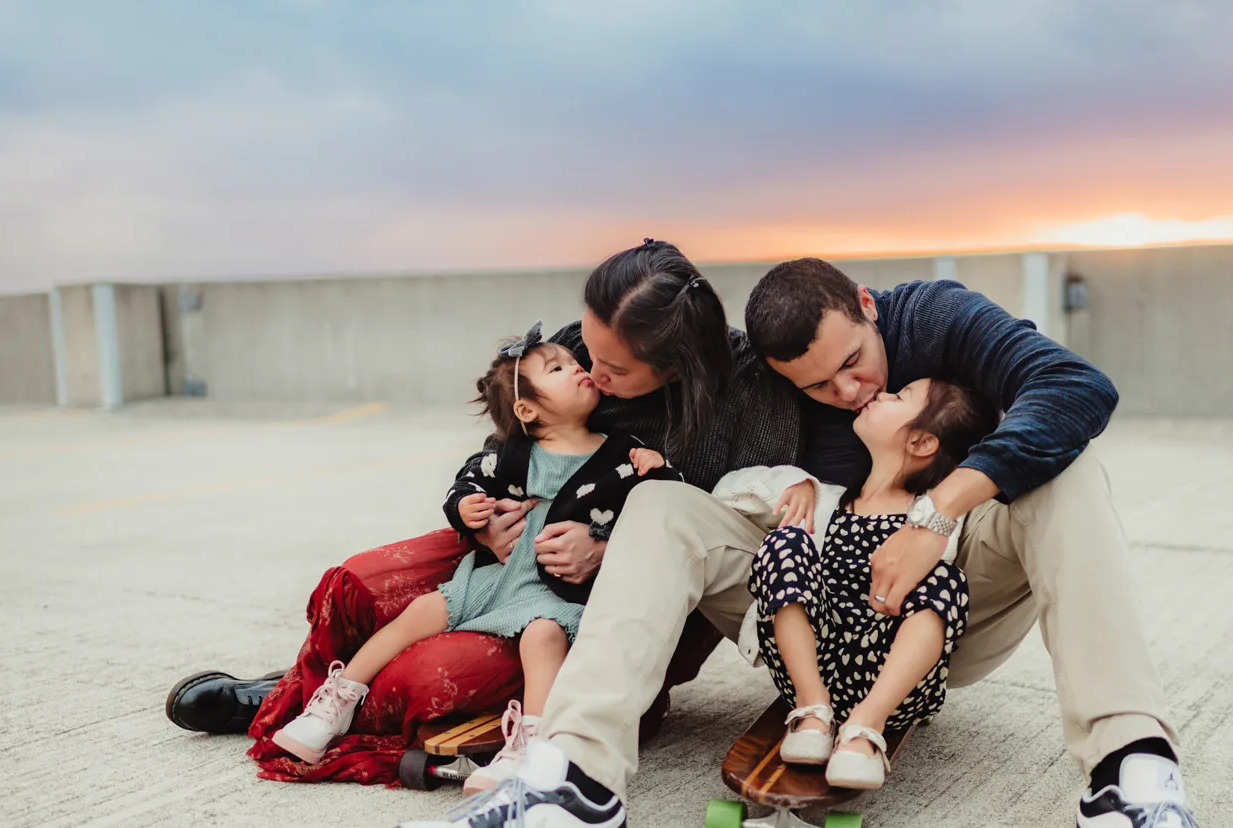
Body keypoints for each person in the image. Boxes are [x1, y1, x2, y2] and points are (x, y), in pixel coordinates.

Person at [379, 257, 1233, 828]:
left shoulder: (932, 317)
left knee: (1067, 468)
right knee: (661, 503)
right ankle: (573, 793)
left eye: (857, 368)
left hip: (952, 604)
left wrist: (938, 513)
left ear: (869, 308)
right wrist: (498, 522)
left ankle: (1130, 785)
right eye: (817, 386)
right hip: (799, 606)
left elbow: (1078, 388)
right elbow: (571, 406)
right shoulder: (722, 381)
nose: (849, 393)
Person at [164, 238, 802, 744]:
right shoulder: (585, 348)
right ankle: (301, 689)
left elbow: (730, 532)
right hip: (516, 546)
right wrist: (483, 521)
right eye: (585, 347)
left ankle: (316, 700)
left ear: (675, 367)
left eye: (614, 369)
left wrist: (611, 550)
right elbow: (512, 443)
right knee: (369, 581)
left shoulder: (748, 393)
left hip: (618, 602)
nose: (589, 371)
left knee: (442, 672)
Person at [270, 326, 676, 786]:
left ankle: (532, 744)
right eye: (559, 368)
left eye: (574, 363)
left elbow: (659, 514)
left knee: (543, 639)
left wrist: (658, 470)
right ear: (527, 409)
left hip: (558, 588)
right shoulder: (512, 455)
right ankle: (336, 703)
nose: (579, 369)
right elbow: (466, 483)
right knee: (421, 610)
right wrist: (465, 509)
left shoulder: (622, 454)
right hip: (497, 576)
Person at [730, 378, 996, 788]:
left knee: (945, 579)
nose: (883, 395)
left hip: (890, 675)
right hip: (811, 660)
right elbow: (724, 492)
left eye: (900, 397)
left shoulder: (936, 521)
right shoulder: (824, 499)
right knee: (785, 541)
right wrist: (791, 481)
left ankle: (864, 727)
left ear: (922, 443)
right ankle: (812, 707)